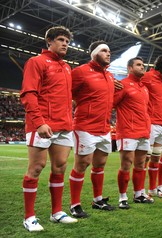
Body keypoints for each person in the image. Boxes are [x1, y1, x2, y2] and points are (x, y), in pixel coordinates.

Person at [20, 26, 77, 232]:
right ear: (49, 42)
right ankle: (29, 217)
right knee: (36, 168)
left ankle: (57, 213)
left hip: (64, 125)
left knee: (60, 167)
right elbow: (28, 94)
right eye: (61, 40)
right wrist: (39, 121)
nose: (65, 44)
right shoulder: (36, 62)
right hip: (43, 123)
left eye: (67, 42)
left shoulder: (67, 68)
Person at [69, 40, 116, 218]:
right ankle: (75, 205)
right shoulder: (80, 72)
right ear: (94, 53)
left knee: (100, 165)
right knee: (82, 164)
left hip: (104, 127)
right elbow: (68, 94)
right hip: (85, 126)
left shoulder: (110, 76)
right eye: (104, 50)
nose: (108, 53)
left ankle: (98, 200)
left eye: (109, 51)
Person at [114, 57, 154, 208]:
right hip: (128, 130)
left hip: (144, 131)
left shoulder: (144, 88)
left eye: (143, 65)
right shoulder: (122, 85)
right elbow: (111, 104)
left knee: (140, 164)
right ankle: (122, 198)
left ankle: (139, 194)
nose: (142, 67)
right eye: (138, 65)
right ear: (130, 68)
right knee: (126, 164)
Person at [141, 55, 162, 198]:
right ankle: (140, 192)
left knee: (155, 158)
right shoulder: (148, 76)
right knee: (145, 159)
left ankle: (153, 189)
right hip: (150, 123)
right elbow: (132, 82)